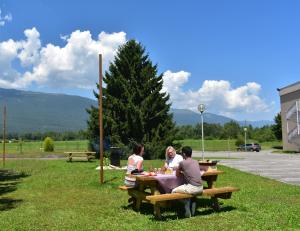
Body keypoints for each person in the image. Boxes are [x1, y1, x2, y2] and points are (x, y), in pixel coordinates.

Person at [172, 146, 203, 217]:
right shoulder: (196, 161)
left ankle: (186, 204)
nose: (181, 155)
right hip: (201, 188)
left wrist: (178, 169)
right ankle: (193, 203)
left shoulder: (182, 163)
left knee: (173, 191)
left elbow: (177, 175)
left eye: (181, 154)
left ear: (184, 154)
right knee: (187, 189)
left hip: (193, 188)